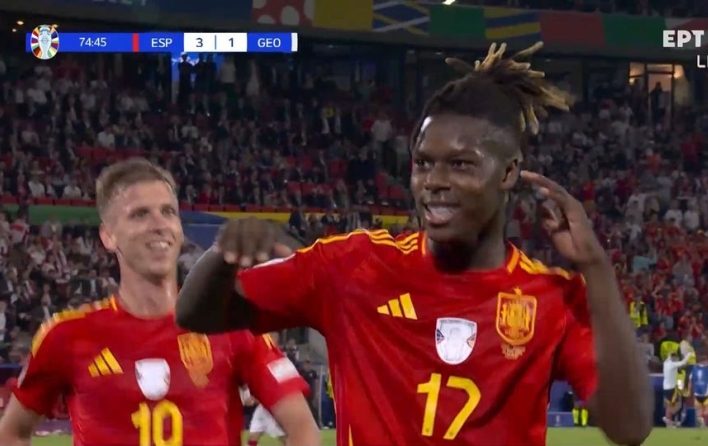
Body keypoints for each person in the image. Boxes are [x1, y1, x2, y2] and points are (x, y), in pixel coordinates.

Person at [177, 42, 652, 446]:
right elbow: (196, 314)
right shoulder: (353, 266)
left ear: (508, 172)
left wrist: (596, 266)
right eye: (423, 163)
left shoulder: (550, 297)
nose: (434, 182)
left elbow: (629, 428)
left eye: (460, 165)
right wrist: (223, 255)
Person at [0, 159, 320, 446]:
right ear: (108, 236)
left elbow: (303, 431)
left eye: (168, 212)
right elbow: (12, 433)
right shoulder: (65, 336)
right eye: (139, 214)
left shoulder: (232, 325)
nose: (159, 224)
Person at [662, 351, 692, 427]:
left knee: (669, 405)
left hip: (665, 387)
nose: (677, 360)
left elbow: (670, 357)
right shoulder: (672, 365)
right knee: (678, 404)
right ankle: (668, 418)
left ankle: (669, 422)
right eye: (676, 358)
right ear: (673, 358)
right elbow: (683, 362)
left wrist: (670, 355)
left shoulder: (666, 363)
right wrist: (688, 355)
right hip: (671, 388)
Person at [689, 355, 708, 427]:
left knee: (699, 409)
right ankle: (702, 418)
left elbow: (690, 381)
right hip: (706, 393)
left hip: (697, 393)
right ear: (704, 361)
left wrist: (689, 389)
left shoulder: (693, 369)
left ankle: (701, 424)